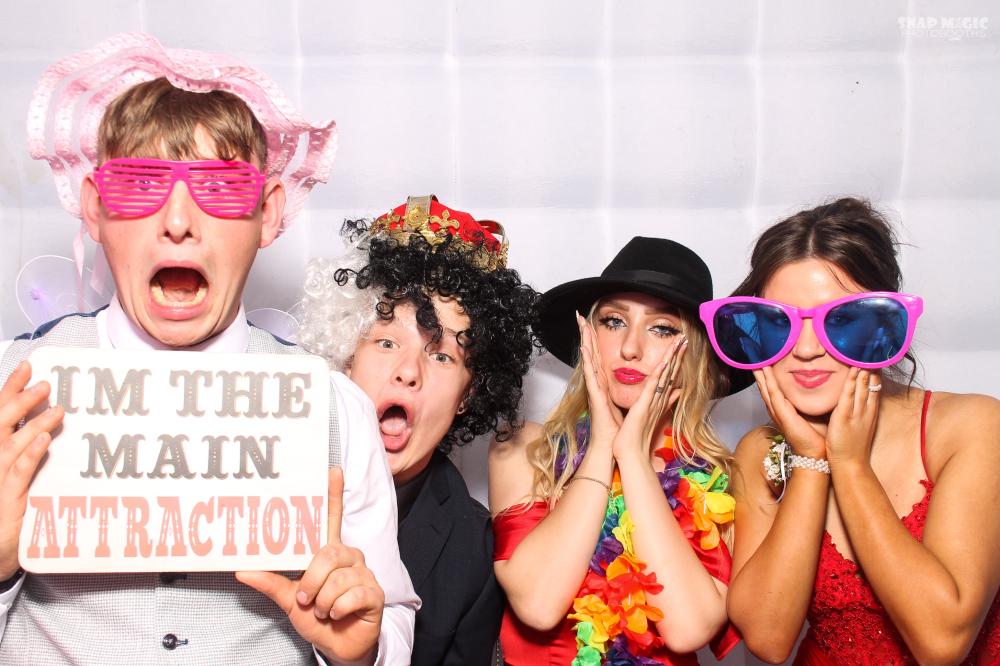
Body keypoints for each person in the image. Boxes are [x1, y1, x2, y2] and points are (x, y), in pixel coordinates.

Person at [0, 33, 418, 665]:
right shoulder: (12, 389)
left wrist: (359, 650)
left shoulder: (335, 406)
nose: (178, 222)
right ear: (94, 209)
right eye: (140, 185)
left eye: (219, 188)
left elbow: (389, 621)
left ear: (268, 214)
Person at [701, 197, 1000, 664]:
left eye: (840, 320)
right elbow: (769, 640)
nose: (805, 349)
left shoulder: (972, 426)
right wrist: (810, 461)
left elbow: (943, 642)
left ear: (885, 324)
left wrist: (850, 464)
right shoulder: (759, 452)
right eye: (778, 322)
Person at [297, 195, 539, 665]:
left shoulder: (474, 551)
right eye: (387, 342)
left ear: (469, 393)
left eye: (442, 355)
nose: (409, 372)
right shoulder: (262, 465)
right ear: (347, 357)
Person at [488, 237, 745, 665]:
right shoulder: (524, 447)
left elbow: (688, 629)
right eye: (613, 321)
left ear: (696, 355)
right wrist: (604, 444)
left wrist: (633, 458)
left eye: (662, 328)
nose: (630, 348)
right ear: (588, 335)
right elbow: (538, 603)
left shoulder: (717, 483)